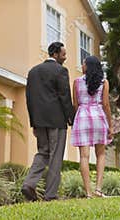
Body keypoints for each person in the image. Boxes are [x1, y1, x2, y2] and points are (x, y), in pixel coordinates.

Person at [22, 42, 74, 201]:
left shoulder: (33, 72)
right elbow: (65, 97)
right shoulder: (61, 71)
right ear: (56, 54)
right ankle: (50, 195)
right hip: (56, 121)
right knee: (55, 156)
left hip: (39, 121)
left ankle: (29, 184)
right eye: (63, 55)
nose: (65, 58)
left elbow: (29, 99)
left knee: (43, 152)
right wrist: (71, 118)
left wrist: (33, 122)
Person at [71, 56, 113, 198]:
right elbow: (106, 105)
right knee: (100, 154)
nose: (82, 66)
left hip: (82, 117)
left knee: (84, 156)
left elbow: (75, 104)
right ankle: (98, 189)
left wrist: (78, 118)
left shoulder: (76, 82)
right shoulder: (104, 82)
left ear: (87, 66)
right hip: (98, 117)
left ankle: (88, 192)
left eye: (83, 64)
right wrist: (110, 126)